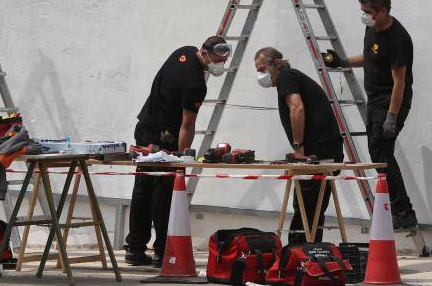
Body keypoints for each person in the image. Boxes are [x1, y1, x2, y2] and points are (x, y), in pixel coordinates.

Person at [124, 36, 231, 266]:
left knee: (142, 188)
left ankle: (134, 249)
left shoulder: (183, 51)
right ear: (205, 53)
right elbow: (187, 125)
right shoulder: (196, 85)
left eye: (223, 61)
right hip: (166, 138)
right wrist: (181, 157)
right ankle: (162, 251)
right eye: (217, 60)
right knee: (164, 194)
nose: (219, 65)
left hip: (145, 128)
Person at [323, 0, 417, 230]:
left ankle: (403, 210)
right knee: (378, 153)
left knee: (381, 153)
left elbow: (400, 82)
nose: (364, 16)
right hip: (375, 100)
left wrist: (392, 118)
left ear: (383, 10)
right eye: (362, 11)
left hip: (391, 100)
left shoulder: (398, 38)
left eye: (368, 12)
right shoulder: (371, 28)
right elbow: (369, 57)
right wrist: (342, 62)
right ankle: (399, 207)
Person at [254, 46, 344, 244]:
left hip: (318, 151)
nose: (259, 75)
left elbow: (297, 108)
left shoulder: (286, 77)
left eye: (262, 69)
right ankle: (310, 251)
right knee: (312, 208)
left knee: (306, 205)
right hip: (326, 148)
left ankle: (298, 252)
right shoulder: (292, 77)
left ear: (275, 65)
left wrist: (298, 147)